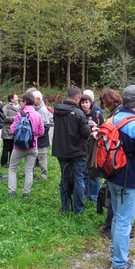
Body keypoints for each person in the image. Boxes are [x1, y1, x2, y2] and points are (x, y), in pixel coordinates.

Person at [102, 85, 135, 269]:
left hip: (111, 174)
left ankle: (116, 253)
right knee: (125, 220)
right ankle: (119, 263)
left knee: (117, 216)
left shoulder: (114, 118)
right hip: (128, 178)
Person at [52, 86, 92, 215]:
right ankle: (78, 210)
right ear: (77, 98)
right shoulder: (79, 113)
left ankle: (65, 208)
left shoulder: (56, 111)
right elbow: (86, 133)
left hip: (61, 150)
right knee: (78, 179)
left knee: (64, 178)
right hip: (77, 152)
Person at [7, 92, 44, 198]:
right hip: (33, 146)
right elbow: (41, 132)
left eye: (21, 101)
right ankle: (26, 193)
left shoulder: (19, 114)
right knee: (28, 170)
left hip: (19, 146)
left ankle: (12, 192)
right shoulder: (38, 115)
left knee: (13, 169)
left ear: (24, 102)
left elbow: (12, 130)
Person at [98, 89, 123, 238]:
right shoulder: (122, 112)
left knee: (113, 194)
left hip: (115, 158)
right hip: (122, 159)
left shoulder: (115, 116)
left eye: (104, 103)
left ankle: (111, 227)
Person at [79, 94, 104, 201]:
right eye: (83, 103)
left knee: (94, 170)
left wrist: (96, 126)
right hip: (82, 145)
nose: (85, 105)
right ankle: (85, 194)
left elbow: (104, 129)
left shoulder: (97, 114)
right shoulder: (79, 114)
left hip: (95, 146)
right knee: (84, 170)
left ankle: (95, 195)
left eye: (87, 102)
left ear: (91, 103)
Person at [32, 90, 51, 181]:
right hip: (34, 138)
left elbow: (46, 127)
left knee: (42, 158)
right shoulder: (34, 107)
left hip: (42, 140)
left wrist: (37, 135)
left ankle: (43, 176)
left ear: (38, 99)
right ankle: (29, 173)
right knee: (31, 156)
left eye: (33, 99)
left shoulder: (43, 110)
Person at [1, 93, 20, 168]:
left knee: (13, 148)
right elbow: (4, 117)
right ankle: (4, 163)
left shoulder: (19, 108)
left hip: (15, 131)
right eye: (15, 97)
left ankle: (12, 162)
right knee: (6, 148)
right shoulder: (6, 107)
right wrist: (15, 118)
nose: (17, 98)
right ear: (11, 99)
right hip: (7, 131)